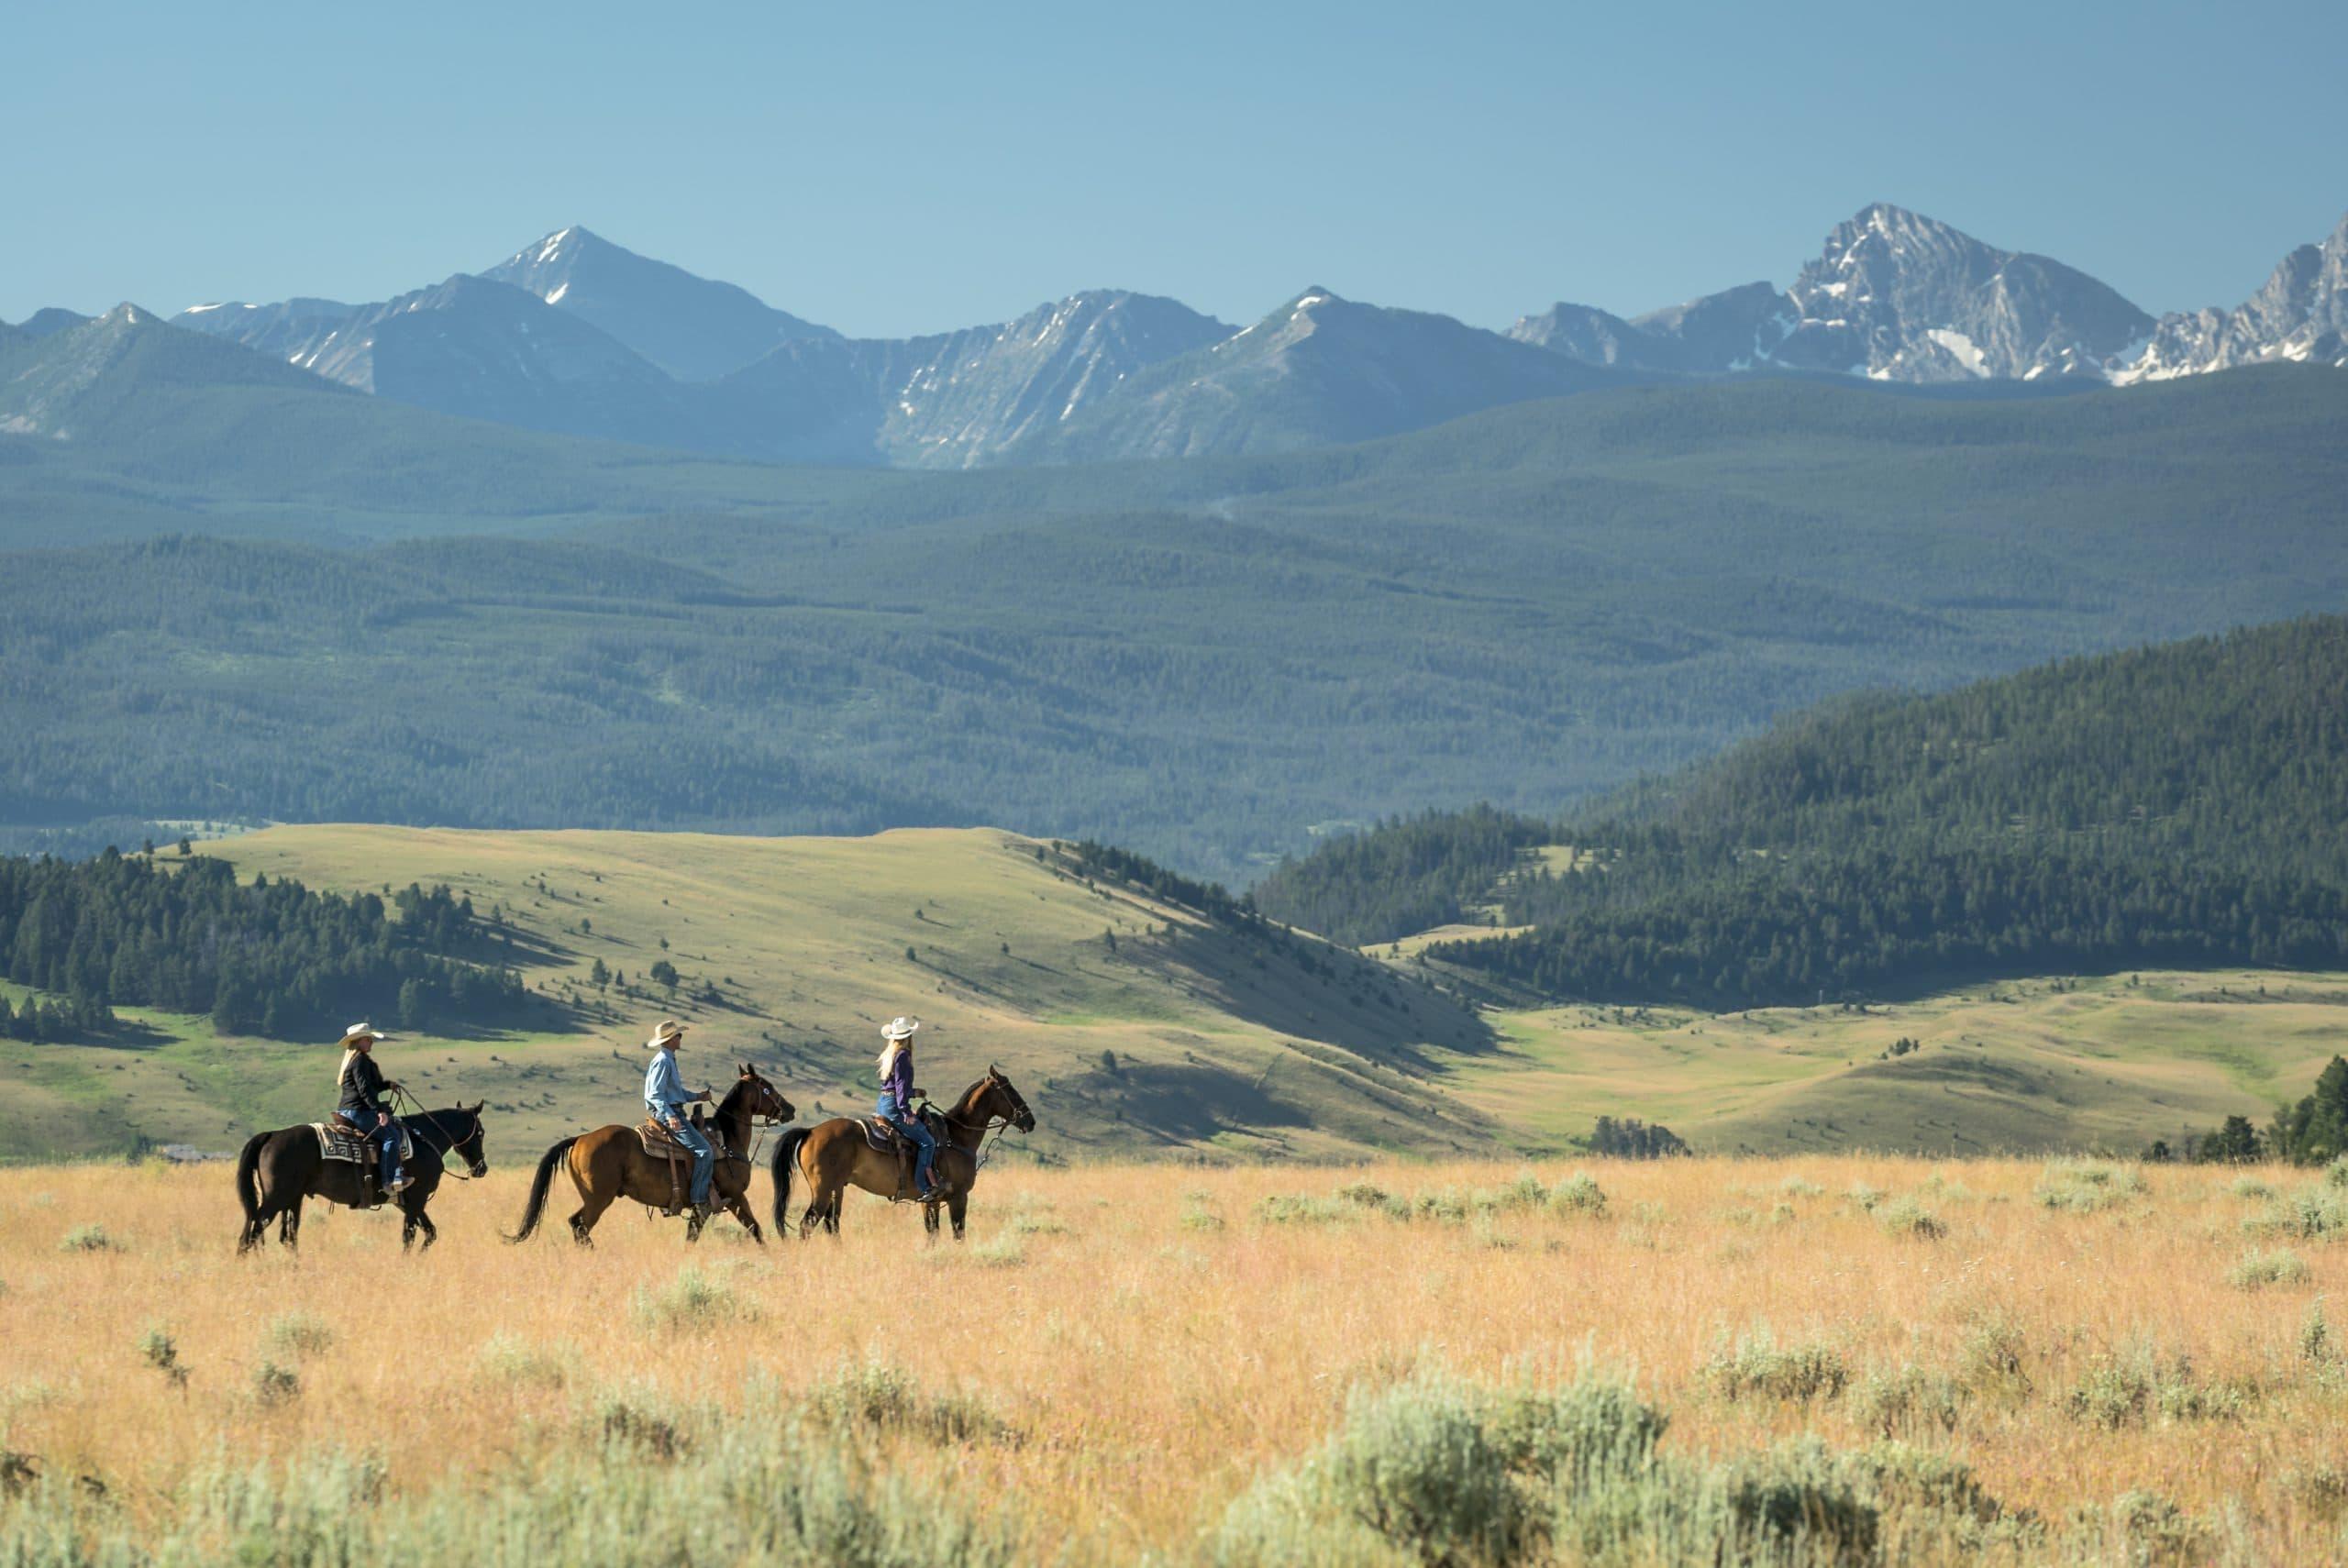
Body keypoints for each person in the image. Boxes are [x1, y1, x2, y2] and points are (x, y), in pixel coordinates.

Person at [643, 1019, 715, 1218]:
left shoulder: (669, 1059)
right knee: (704, 1151)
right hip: (669, 1114)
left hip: (673, 1110)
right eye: (678, 1035)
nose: (680, 1038)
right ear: (669, 1040)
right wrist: (670, 1115)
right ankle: (700, 1201)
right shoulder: (663, 1061)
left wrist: (697, 1097)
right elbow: (655, 1095)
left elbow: (676, 1092)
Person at [335, 1021, 407, 1196]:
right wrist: (380, 1111)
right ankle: (388, 1180)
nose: (371, 1042)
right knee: (392, 1136)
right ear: (359, 1041)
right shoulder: (360, 1061)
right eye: (368, 1039)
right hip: (358, 1111)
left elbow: (371, 1086)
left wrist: (387, 1085)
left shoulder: (354, 1060)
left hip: (348, 1109)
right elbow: (365, 1089)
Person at [876, 1016, 943, 1199]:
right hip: (895, 1107)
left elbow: (894, 1086)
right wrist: (905, 1111)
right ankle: (924, 1187)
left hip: (883, 1103)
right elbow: (899, 1086)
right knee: (927, 1142)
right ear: (908, 1038)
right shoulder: (904, 1055)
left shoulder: (890, 1054)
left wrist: (913, 1093)